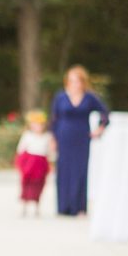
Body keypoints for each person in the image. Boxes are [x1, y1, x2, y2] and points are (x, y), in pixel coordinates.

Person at [50, 65, 109, 216]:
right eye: (71, 80)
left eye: (77, 81)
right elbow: (54, 119)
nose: (74, 84)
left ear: (82, 82)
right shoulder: (61, 97)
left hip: (81, 137)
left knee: (80, 170)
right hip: (63, 136)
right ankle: (63, 207)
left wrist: (99, 129)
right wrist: (53, 138)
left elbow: (105, 113)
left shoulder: (89, 97)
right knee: (63, 170)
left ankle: (79, 207)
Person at [15, 109, 52, 216]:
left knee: (38, 184)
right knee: (27, 184)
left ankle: (37, 206)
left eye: (40, 125)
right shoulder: (27, 135)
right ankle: (24, 206)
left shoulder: (47, 136)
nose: (38, 127)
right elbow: (21, 149)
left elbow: (49, 152)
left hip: (40, 164)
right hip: (29, 163)